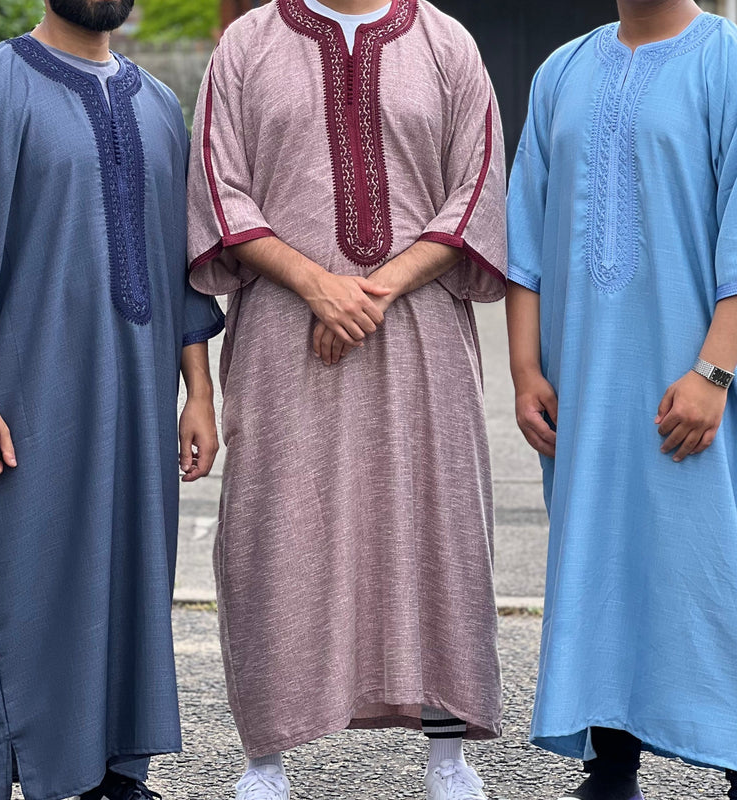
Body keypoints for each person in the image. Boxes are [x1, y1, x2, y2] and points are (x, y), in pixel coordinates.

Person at [186, 0, 507, 797]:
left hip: (423, 334)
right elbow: (219, 192)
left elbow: (477, 189)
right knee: (274, 528)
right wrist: (318, 286)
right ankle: (264, 757)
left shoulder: (446, 42)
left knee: (434, 523)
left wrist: (373, 291)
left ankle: (446, 754)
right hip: (281, 338)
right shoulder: (246, 47)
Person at [0, 0, 225, 797]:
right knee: (11, 583)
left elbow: (180, 264)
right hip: (21, 400)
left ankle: (111, 772)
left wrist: (197, 391)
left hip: (137, 403)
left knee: (126, 575)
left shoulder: (161, 105)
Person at [506, 0, 737, 798]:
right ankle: (611, 762)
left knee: (710, 559)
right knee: (601, 552)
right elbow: (524, 237)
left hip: (700, 384)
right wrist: (525, 370)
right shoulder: (560, 69)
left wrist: (714, 372)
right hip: (584, 385)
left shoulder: (726, 60)